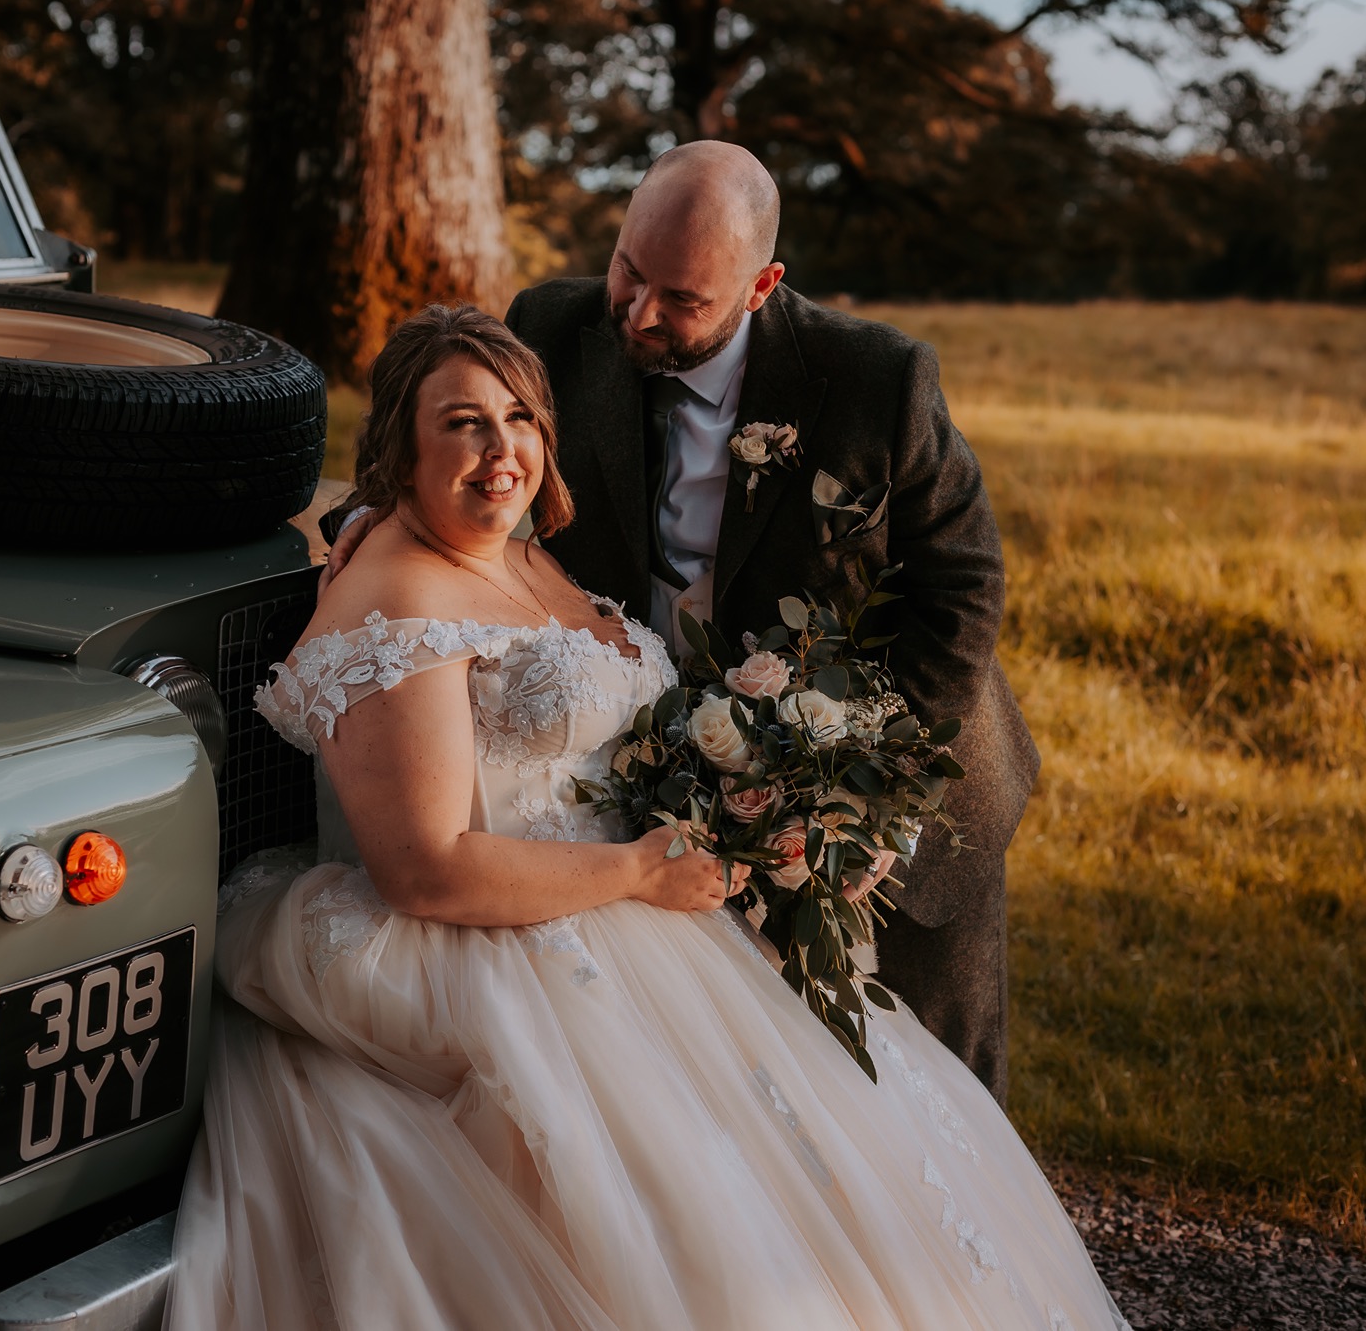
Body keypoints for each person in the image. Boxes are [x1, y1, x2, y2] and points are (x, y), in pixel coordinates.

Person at [166, 304, 1127, 1330]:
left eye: (520, 419)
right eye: (461, 423)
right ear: (400, 440)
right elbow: (425, 869)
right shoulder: (396, 595)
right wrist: (635, 871)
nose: (502, 452)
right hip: (490, 937)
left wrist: (757, 804)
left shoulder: (525, 554)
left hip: (641, 905)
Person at [327, 141, 1036, 1100]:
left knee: (931, 1082)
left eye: (683, 300)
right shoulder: (555, 321)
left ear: (762, 285)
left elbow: (963, 580)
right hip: (669, 777)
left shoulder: (879, 378)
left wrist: (868, 797)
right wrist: (375, 510)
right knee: (738, 1082)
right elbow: (464, 436)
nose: (641, 311)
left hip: (892, 772)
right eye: (630, 269)